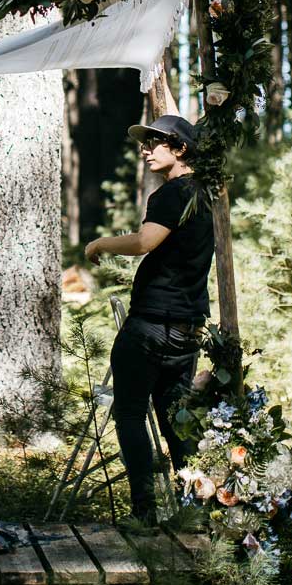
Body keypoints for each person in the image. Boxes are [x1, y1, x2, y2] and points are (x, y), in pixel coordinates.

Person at [82, 113, 215, 523]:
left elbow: (145, 241)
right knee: (175, 417)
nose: (145, 149)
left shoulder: (173, 194)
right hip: (188, 326)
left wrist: (100, 243)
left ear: (180, 149)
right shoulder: (205, 194)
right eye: (145, 141)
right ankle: (192, 511)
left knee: (129, 412)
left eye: (156, 142)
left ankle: (145, 513)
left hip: (153, 323)